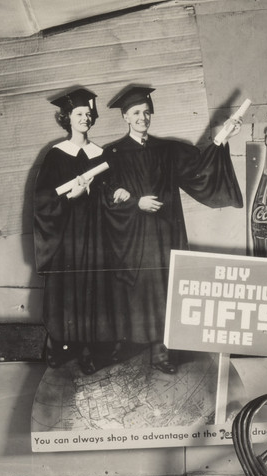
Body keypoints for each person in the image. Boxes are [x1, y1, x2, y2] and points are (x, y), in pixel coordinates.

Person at [101, 85, 244, 373]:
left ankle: (162, 351)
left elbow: (199, 169)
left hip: (167, 232)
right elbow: (104, 192)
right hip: (132, 235)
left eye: (146, 112)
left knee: (168, 286)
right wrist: (135, 203)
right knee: (138, 289)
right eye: (136, 113)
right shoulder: (112, 153)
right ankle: (132, 343)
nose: (143, 117)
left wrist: (221, 138)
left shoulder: (166, 149)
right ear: (126, 117)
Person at [32, 87, 114, 375]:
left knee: (96, 289)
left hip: (96, 234)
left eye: (88, 114)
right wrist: (70, 197)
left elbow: (109, 193)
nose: (85, 118)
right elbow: (42, 201)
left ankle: (94, 348)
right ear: (66, 118)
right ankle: (65, 347)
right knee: (68, 289)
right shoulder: (55, 155)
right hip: (67, 236)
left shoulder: (101, 154)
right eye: (79, 114)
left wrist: (101, 193)